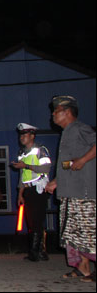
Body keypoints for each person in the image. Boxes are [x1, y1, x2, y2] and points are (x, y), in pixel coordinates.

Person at [45, 95, 96, 283]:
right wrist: (57, 180)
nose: (52, 114)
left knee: (90, 232)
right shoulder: (66, 133)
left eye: (56, 111)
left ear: (67, 112)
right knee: (76, 233)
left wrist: (83, 160)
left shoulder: (80, 128)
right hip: (70, 191)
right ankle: (83, 268)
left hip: (85, 192)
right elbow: (68, 163)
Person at [10, 123, 52, 262]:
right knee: (30, 221)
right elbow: (23, 175)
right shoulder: (21, 153)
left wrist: (26, 165)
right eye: (20, 135)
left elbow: (46, 168)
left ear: (32, 136)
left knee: (37, 221)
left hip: (39, 188)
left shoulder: (40, 150)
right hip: (27, 189)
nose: (22, 137)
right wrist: (20, 193)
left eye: (25, 135)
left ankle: (37, 252)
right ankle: (38, 252)